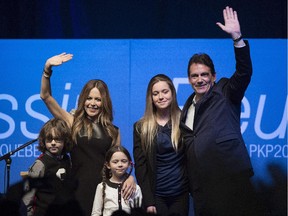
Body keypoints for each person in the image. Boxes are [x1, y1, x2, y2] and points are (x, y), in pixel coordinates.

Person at [180, 6, 263, 216]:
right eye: (194, 76)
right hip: (202, 188)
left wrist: (237, 39)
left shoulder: (225, 91)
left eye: (204, 74)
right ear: (189, 79)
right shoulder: (187, 107)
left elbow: (244, 72)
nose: (200, 80)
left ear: (214, 76)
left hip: (230, 179)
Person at [40, 53, 136, 216]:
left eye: (98, 99)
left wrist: (129, 177)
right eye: (89, 98)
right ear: (83, 100)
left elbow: (118, 163)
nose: (93, 103)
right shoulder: (73, 122)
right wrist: (47, 70)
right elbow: (46, 96)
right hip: (77, 191)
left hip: (104, 192)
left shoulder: (114, 131)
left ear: (104, 103)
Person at [133, 74, 189, 215]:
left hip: (181, 194)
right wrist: (149, 200)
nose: (161, 97)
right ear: (150, 98)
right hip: (156, 196)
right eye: (155, 94)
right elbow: (141, 166)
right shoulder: (141, 127)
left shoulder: (185, 121)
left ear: (172, 93)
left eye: (165, 92)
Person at [22, 118, 74, 216]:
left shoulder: (67, 160)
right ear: (44, 141)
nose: (53, 143)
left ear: (65, 141)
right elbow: (28, 195)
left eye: (57, 139)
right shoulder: (40, 163)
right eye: (49, 139)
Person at [91, 146, 142, 216]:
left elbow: (139, 212)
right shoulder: (101, 187)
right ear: (108, 165)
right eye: (115, 162)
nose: (120, 165)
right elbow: (96, 213)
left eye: (124, 161)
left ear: (129, 164)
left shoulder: (136, 188)